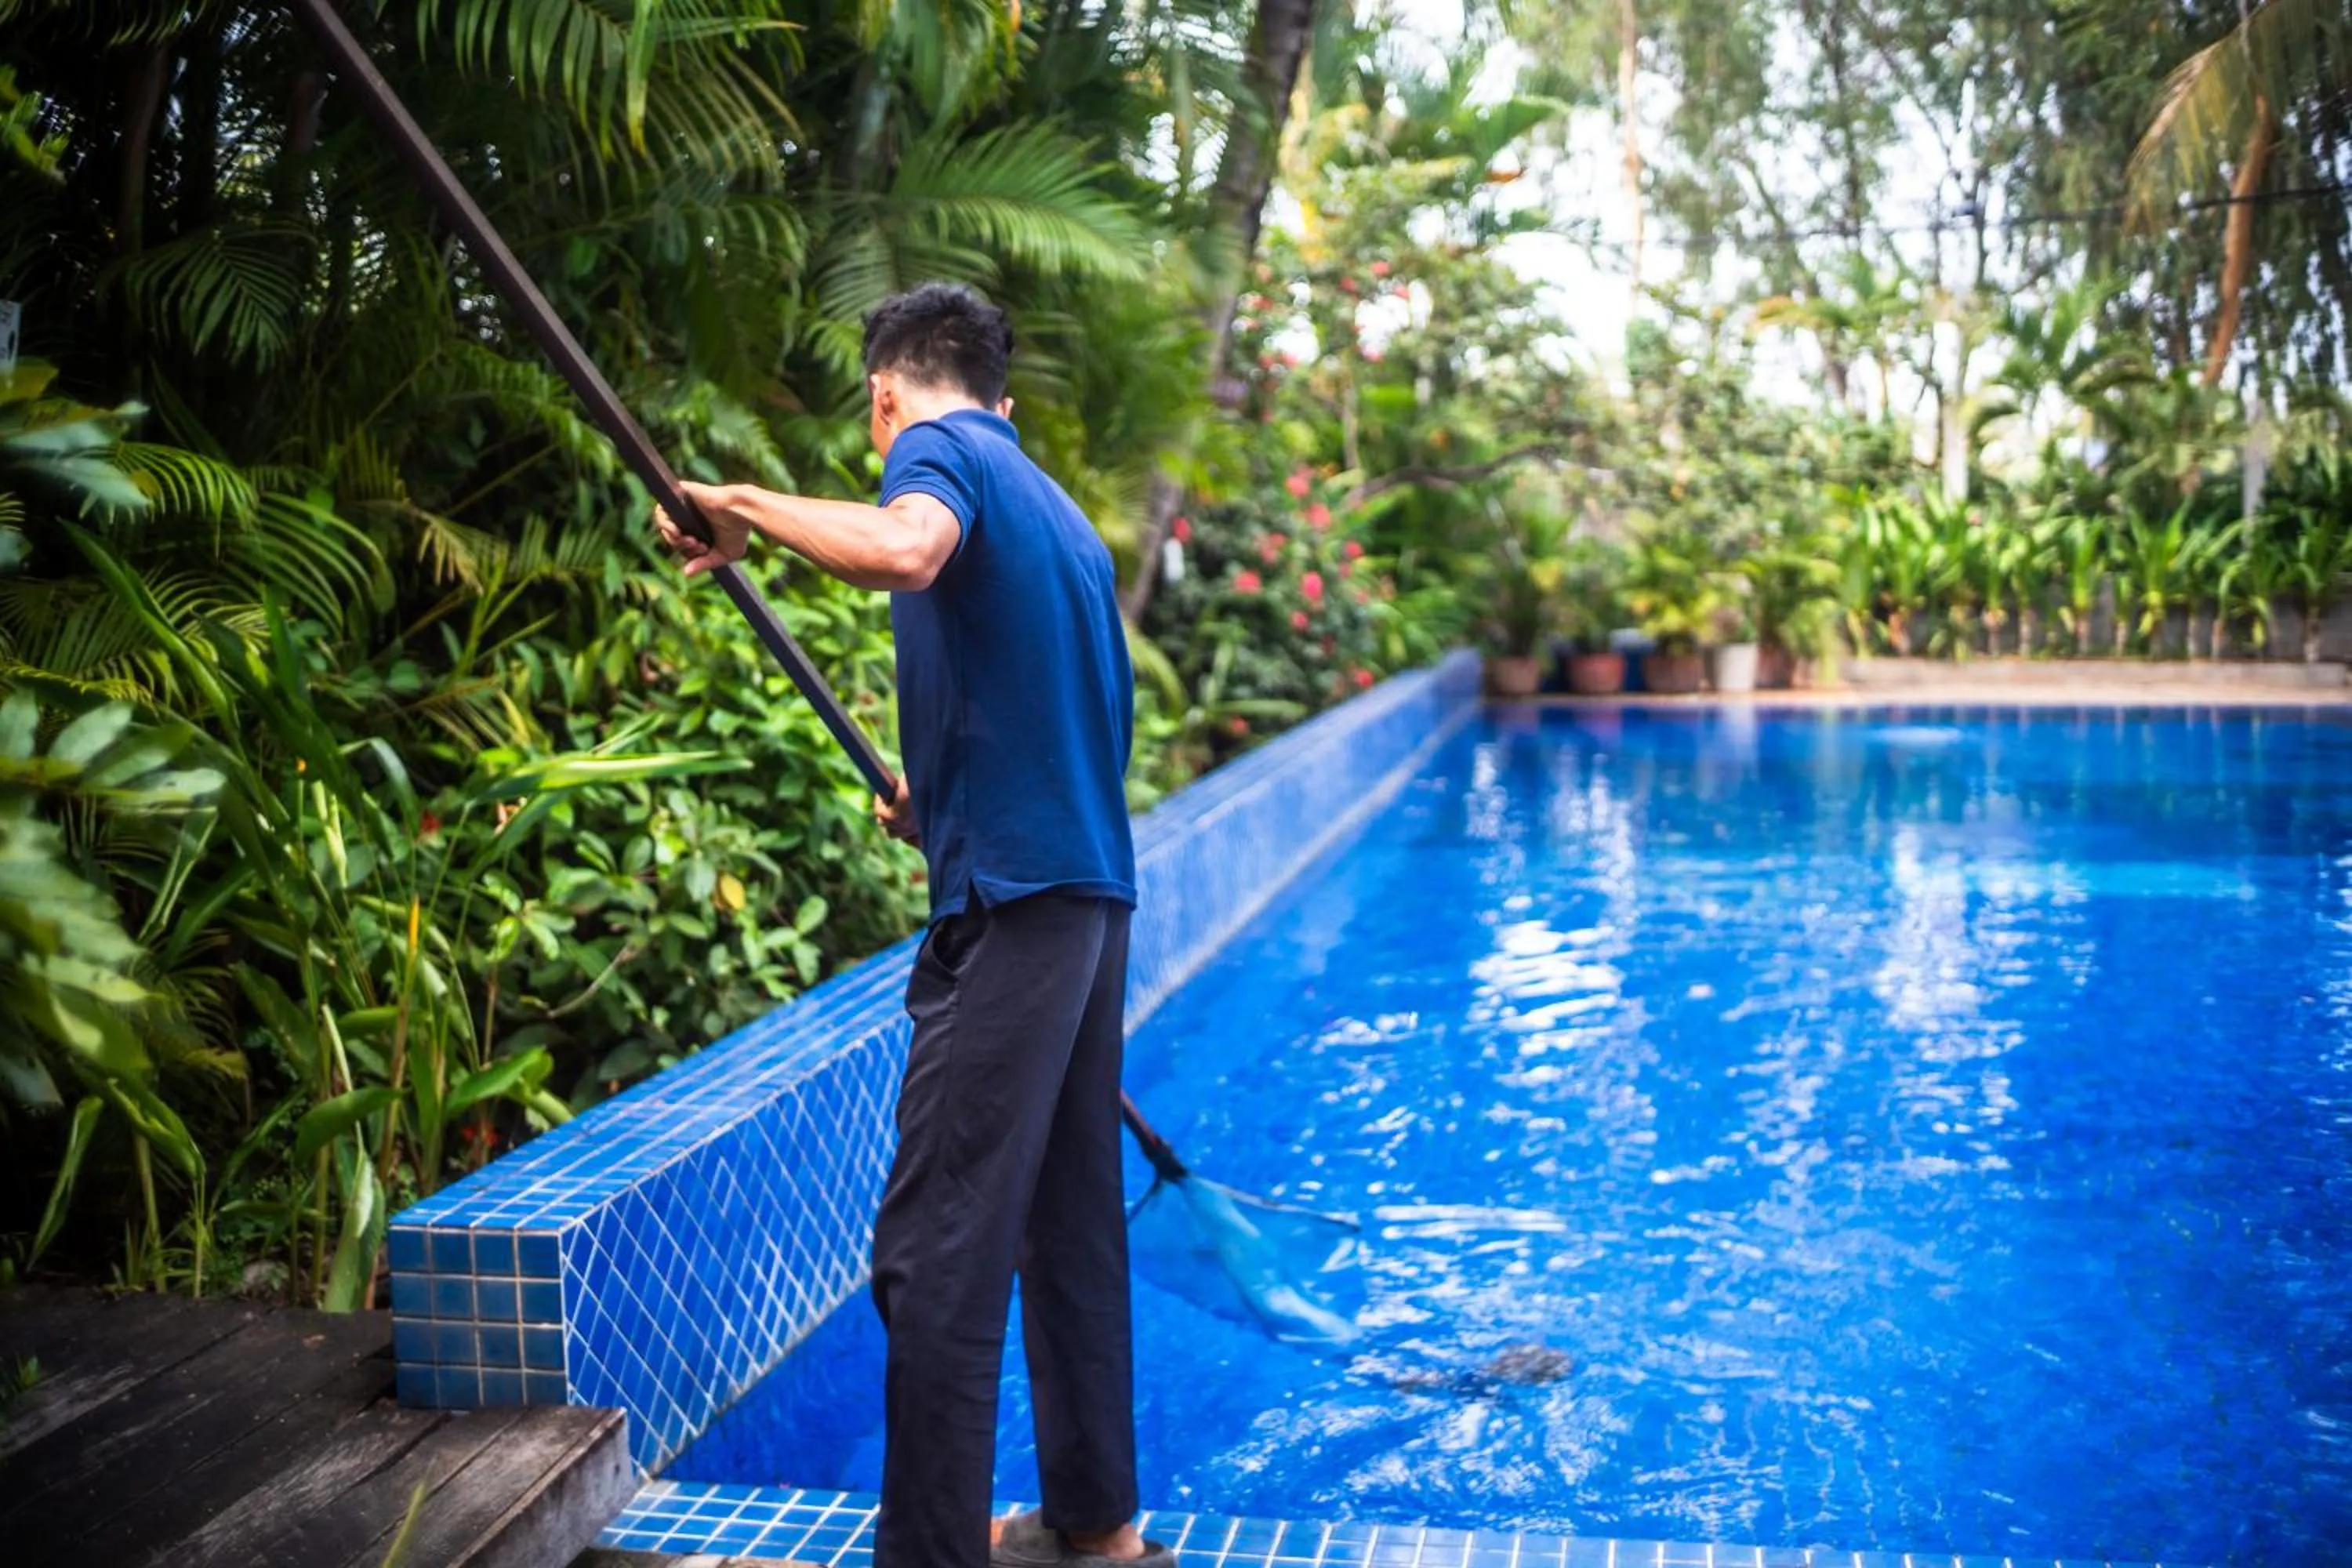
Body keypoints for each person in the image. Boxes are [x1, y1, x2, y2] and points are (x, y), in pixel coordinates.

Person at [653, 282, 1167, 1568]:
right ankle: (1095, 1528)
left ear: (887, 396)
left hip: (1016, 912)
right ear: (1009, 396)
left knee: (935, 1248)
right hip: (1089, 902)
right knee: (1066, 1224)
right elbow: (1082, 725)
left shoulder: (938, 452)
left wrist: (745, 511)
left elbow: (908, 549)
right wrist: (935, 798)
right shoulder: (1063, 517)